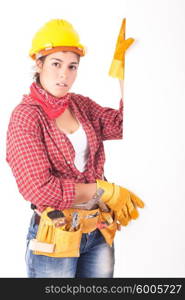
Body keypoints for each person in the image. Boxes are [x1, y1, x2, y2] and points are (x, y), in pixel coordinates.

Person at [6, 19, 143, 278]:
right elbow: (39, 189)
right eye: (56, 64)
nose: (64, 75)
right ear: (39, 63)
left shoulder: (80, 105)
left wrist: (124, 73)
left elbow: (127, 125)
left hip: (97, 231)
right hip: (56, 237)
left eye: (72, 67)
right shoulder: (25, 117)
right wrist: (104, 191)